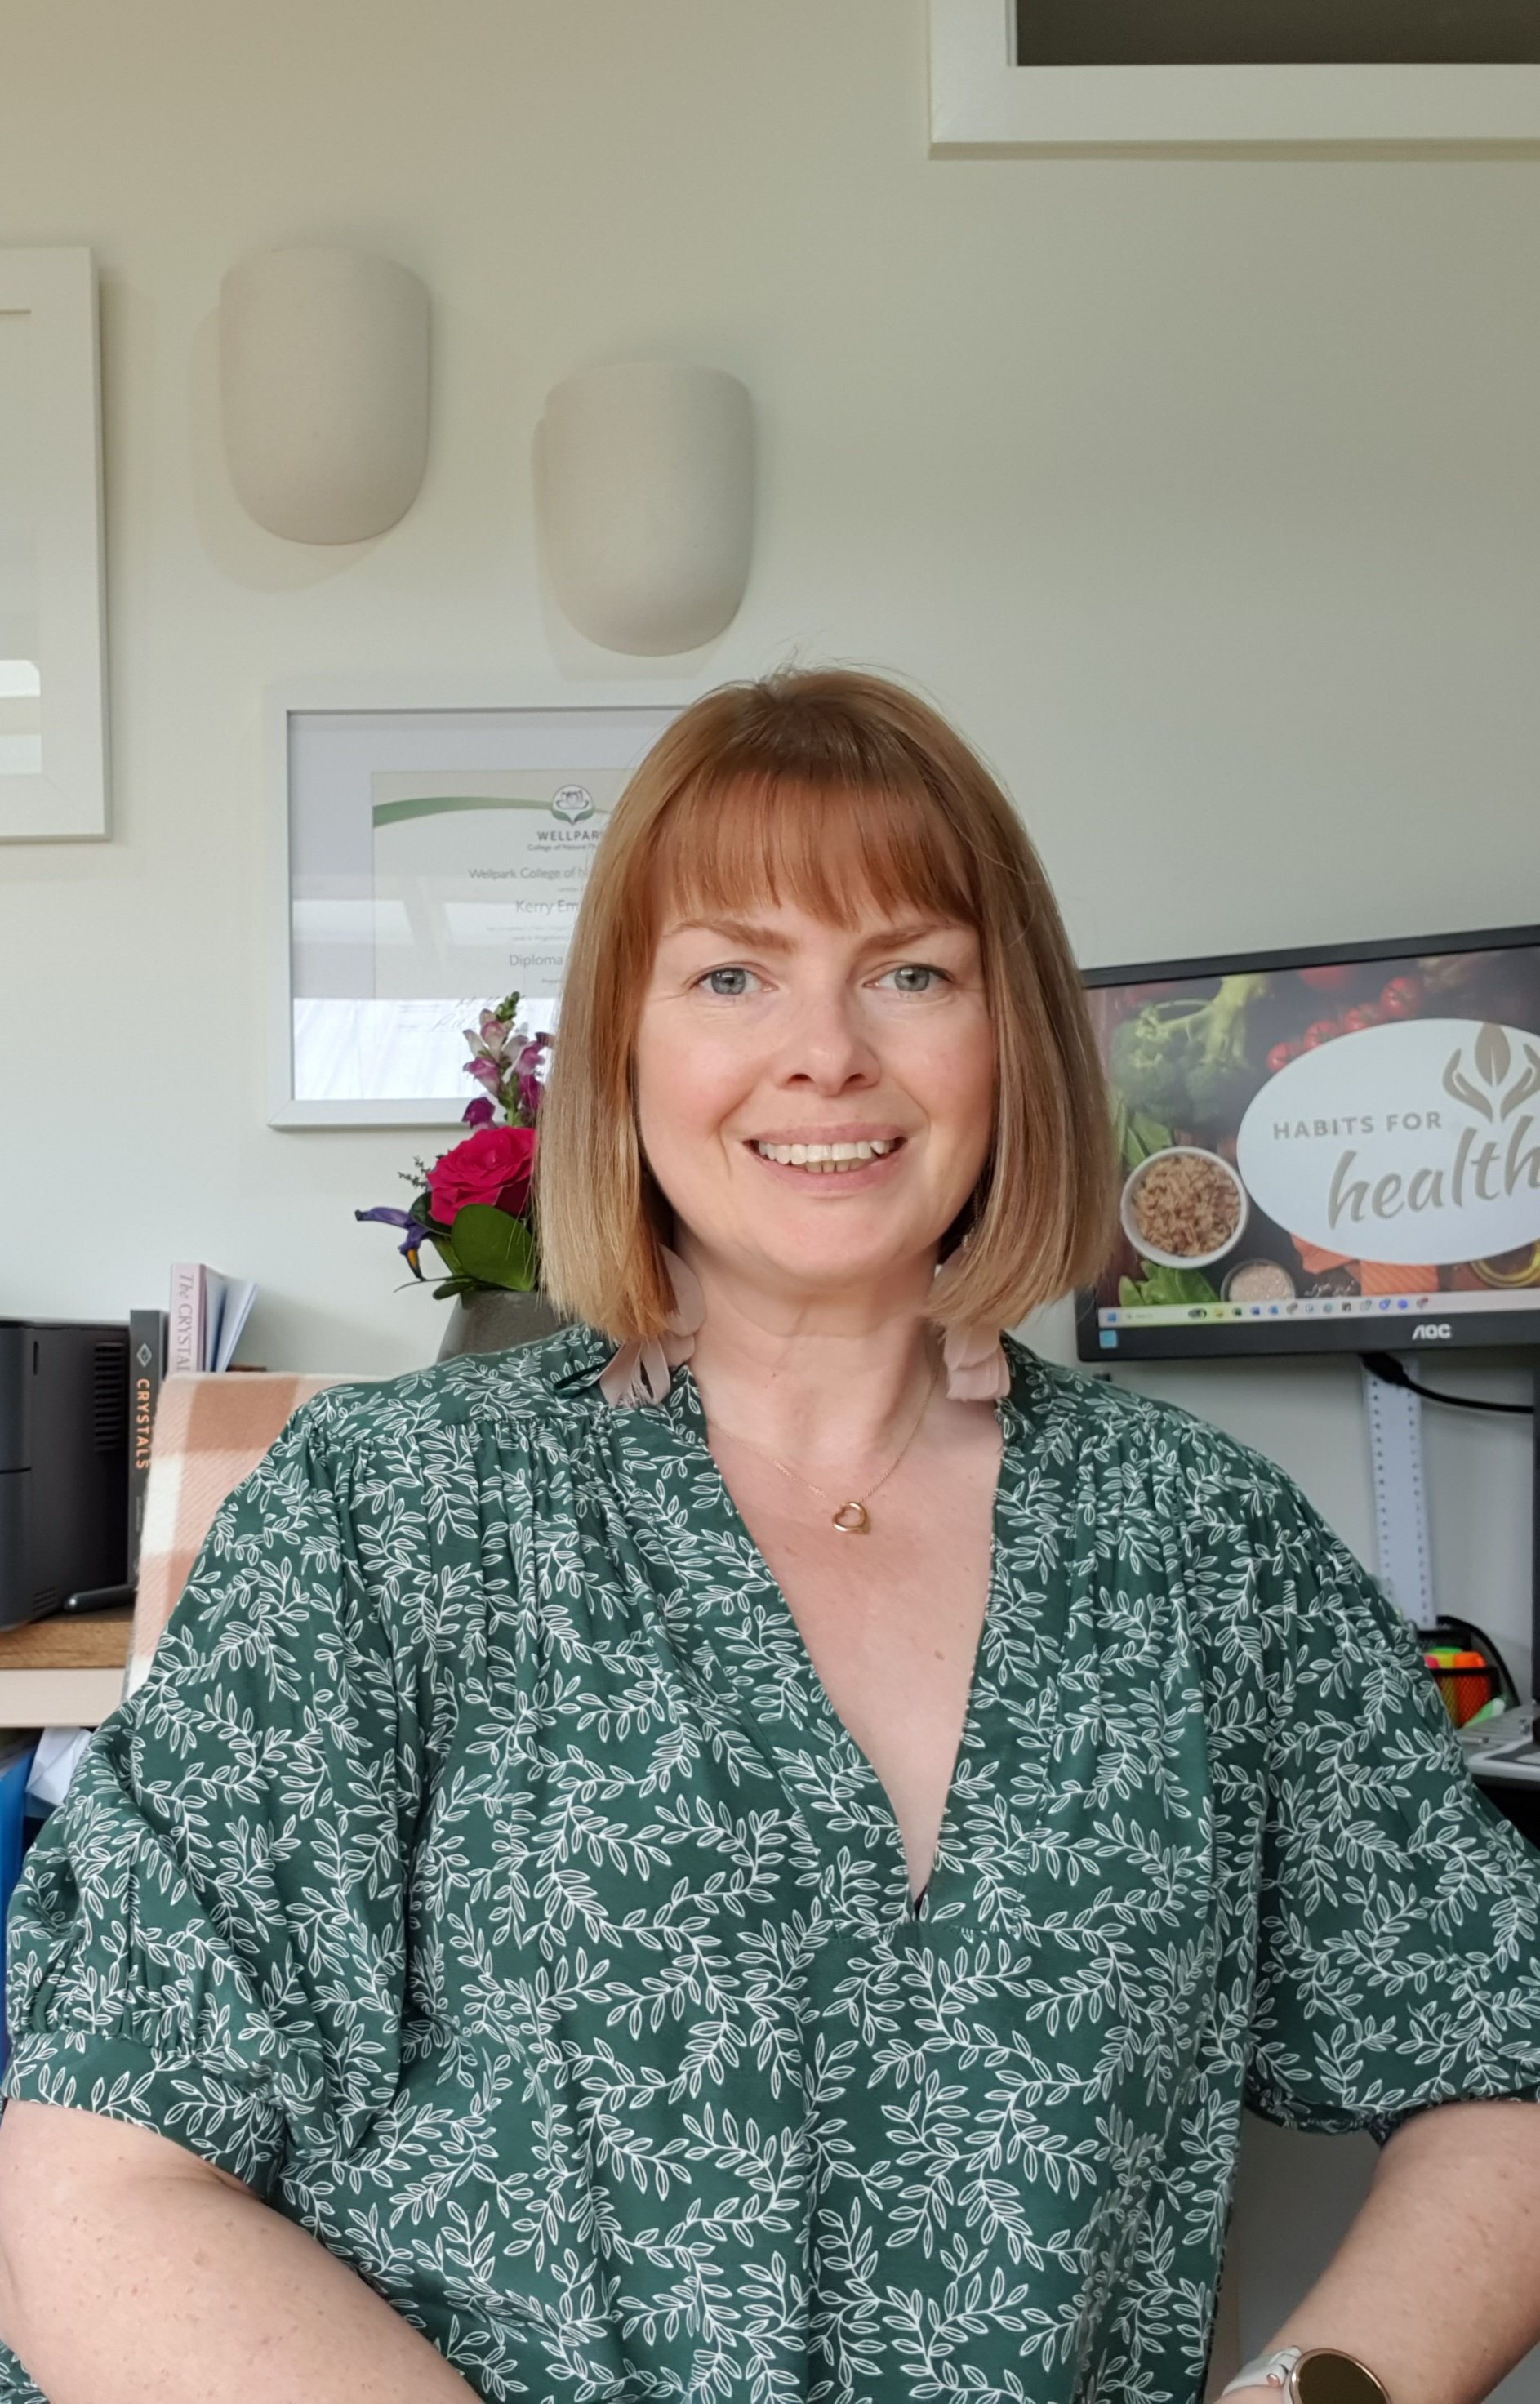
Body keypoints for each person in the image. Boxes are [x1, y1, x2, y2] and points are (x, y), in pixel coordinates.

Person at [2, 669, 1539, 2404]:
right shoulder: (386, 1509)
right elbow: (94, 2182)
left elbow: (1506, 2052)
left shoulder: (1205, 1543)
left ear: (1007, 1033)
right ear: (628, 1049)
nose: (829, 1048)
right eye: (733, 971)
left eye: (910, 969)